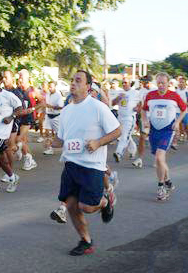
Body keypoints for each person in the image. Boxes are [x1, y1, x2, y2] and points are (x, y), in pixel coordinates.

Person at [52, 70, 121, 255]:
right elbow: (62, 139)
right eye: (72, 80)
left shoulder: (98, 107)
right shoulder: (66, 110)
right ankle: (86, 241)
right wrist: (52, 142)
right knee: (72, 206)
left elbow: (117, 131)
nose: (73, 83)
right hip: (71, 165)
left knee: (87, 206)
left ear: (88, 87)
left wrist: (98, 142)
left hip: (92, 166)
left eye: (78, 80)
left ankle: (105, 202)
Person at [142, 72, 187, 201]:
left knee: (159, 157)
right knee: (159, 160)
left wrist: (177, 122)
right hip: (154, 129)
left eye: (163, 83)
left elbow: (184, 109)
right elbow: (143, 109)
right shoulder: (150, 95)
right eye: (159, 83)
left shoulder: (174, 95)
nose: (161, 85)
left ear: (168, 83)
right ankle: (167, 180)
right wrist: (145, 120)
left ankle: (161, 187)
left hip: (167, 130)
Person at [111, 77, 140, 164]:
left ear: (130, 83)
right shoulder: (120, 92)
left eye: (126, 82)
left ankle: (118, 153)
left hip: (129, 118)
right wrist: (118, 98)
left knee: (124, 136)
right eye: (123, 82)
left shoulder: (135, 93)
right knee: (124, 135)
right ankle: (133, 150)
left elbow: (141, 104)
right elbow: (112, 103)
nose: (124, 84)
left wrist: (137, 108)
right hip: (120, 117)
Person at [16, 69, 41, 171]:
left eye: (21, 77)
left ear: (27, 78)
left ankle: (27, 157)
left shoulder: (32, 90)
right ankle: (30, 160)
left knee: (19, 139)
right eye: (19, 76)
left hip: (29, 119)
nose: (20, 79)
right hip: (19, 118)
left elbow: (42, 102)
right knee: (23, 141)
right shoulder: (17, 90)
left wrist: (34, 110)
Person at [134, 75, 154, 168]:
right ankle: (139, 159)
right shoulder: (141, 91)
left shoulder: (155, 90)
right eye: (142, 82)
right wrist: (137, 107)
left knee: (155, 139)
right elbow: (140, 102)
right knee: (142, 137)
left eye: (144, 82)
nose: (142, 83)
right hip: (145, 117)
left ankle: (158, 158)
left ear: (149, 82)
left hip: (155, 118)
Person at [42, 81, 64, 155]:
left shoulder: (58, 95)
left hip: (56, 117)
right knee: (47, 132)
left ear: (55, 87)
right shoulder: (48, 94)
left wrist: (51, 106)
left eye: (51, 87)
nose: (50, 88)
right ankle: (49, 149)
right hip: (48, 115)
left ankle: (66, 147)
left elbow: (61, 106)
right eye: (49, 87)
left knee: (59, 134)